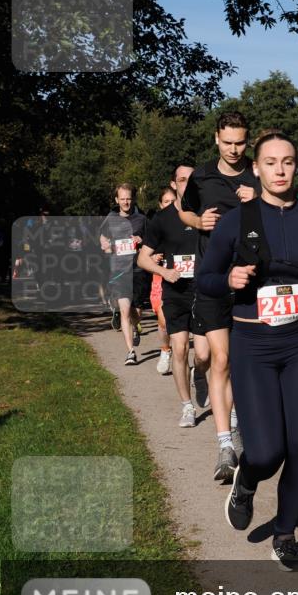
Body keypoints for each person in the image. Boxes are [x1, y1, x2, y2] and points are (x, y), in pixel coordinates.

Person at [197, 130, 298, 570]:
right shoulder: (236, 221)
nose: (281, 170)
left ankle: (285, 532)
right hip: (253, 343)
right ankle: (246, 479)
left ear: (296, 166)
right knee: (265, 452)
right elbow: (205, 278)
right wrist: (229, 280)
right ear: (256, 168)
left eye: (288, 161)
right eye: (271, 162)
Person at [179, 111, 261, 479]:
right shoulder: (201, 175)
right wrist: (198, 222)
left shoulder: (257, 174)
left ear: (249, 140)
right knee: (221, 359)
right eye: (227, 142)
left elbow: (285, 211)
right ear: (216, 139)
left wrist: (257, 198)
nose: (233, 149)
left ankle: (240, 421)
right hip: (212, 278)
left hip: (251, 279)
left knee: (242, 361)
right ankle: (226, 445)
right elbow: (184, 211)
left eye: (240, 142)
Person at [138, 166, 210, 428]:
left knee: (202, 355)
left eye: (192, 180)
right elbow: (142, 258)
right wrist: (164, 272)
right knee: (179, 348)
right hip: (175, 291)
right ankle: (187, 406)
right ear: (174, 184)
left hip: (204, 290)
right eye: (182, 180)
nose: (187, 184)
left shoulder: (206, 213)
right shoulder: (162, 219)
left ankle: (200, 375)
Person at [99, 184, 148, 365]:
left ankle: (137, 326)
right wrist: (105, 245)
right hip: (119, 270)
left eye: (128, 198)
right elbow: (102, 237)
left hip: (138, 269)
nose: (126, 201)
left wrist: (141, 240)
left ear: (132, 199)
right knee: (125, 310)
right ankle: (130, 352)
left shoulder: (142, 219)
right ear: (116, 200)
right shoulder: (110, 219)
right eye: (122, 198)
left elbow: (152, 240)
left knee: (136, 312)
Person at [150, 187, 176, 375]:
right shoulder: (157, 225)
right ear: (160, 205)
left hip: (183, 278)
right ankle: (165, 351)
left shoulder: (187, 221)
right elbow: (144, 256)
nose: (169, 204)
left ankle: (183, 358)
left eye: (172, 201)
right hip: (160, 278)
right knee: (164, 320)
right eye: (166, 201)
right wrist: (153, 261)